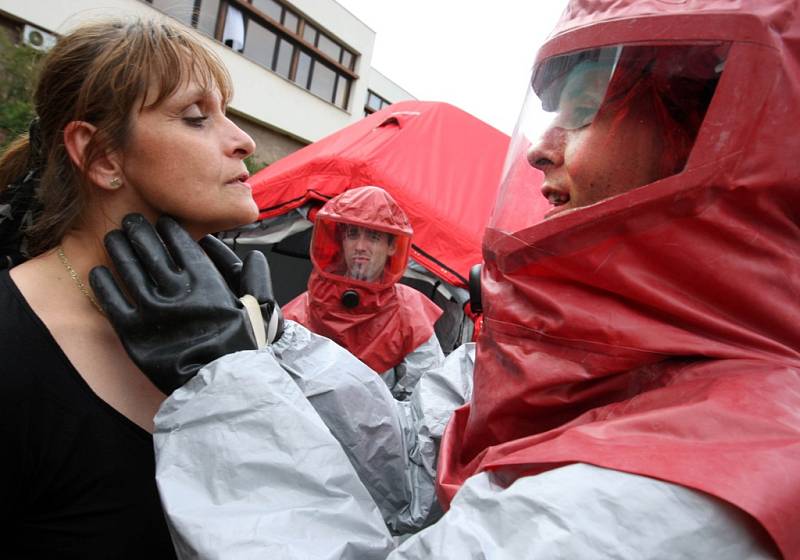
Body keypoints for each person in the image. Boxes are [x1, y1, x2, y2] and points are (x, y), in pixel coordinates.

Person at [91, 0, 799, 558]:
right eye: (352, 240)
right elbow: (418, 462)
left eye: (584, 116)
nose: (540, 152)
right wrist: (273, 344)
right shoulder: (615, 355)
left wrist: (228, 380)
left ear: (715, 158)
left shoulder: (690, 481)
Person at [0, 16, 280, 558]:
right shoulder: (11, 344)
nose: (243, 141)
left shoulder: (239, 326)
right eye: (197, 118)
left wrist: (257, 377)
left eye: (228, 114)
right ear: (103, 155)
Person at [283, 186, 444, 400]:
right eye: (352, 234)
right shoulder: (301, 311)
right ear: (341, 242)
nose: (360, 246)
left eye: (374, 236)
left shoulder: (409, 314)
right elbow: (281, 389)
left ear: (392, 246)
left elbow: (426, 397)